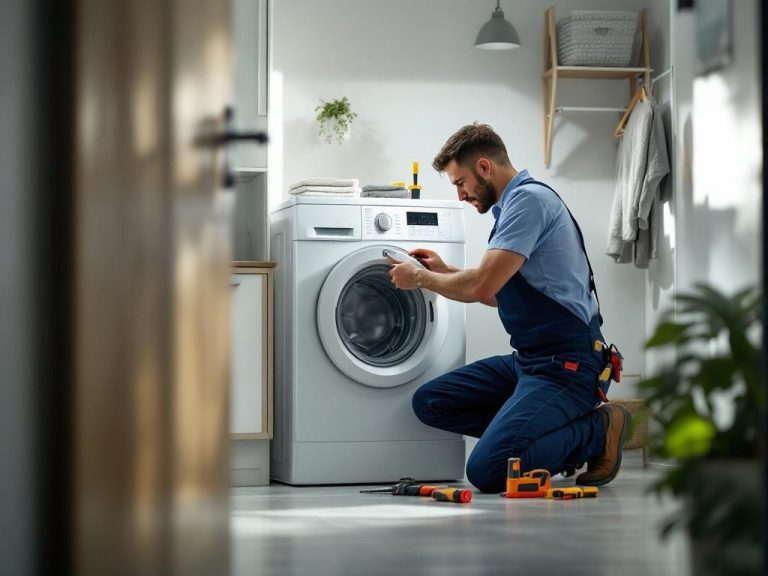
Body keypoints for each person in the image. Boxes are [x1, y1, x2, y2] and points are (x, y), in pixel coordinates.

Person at [387, 123, 632, 493]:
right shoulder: (512, 207)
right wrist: (445, 271)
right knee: (431, 401)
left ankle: (599, 430)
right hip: (531, 362)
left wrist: (420, 278)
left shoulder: (528, 202)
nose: (460, 195)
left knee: (487, 471)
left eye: (461, 182)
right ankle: (531, 440)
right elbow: (496, 293)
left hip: (568, 366)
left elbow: (482, 286)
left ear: (485, 167)